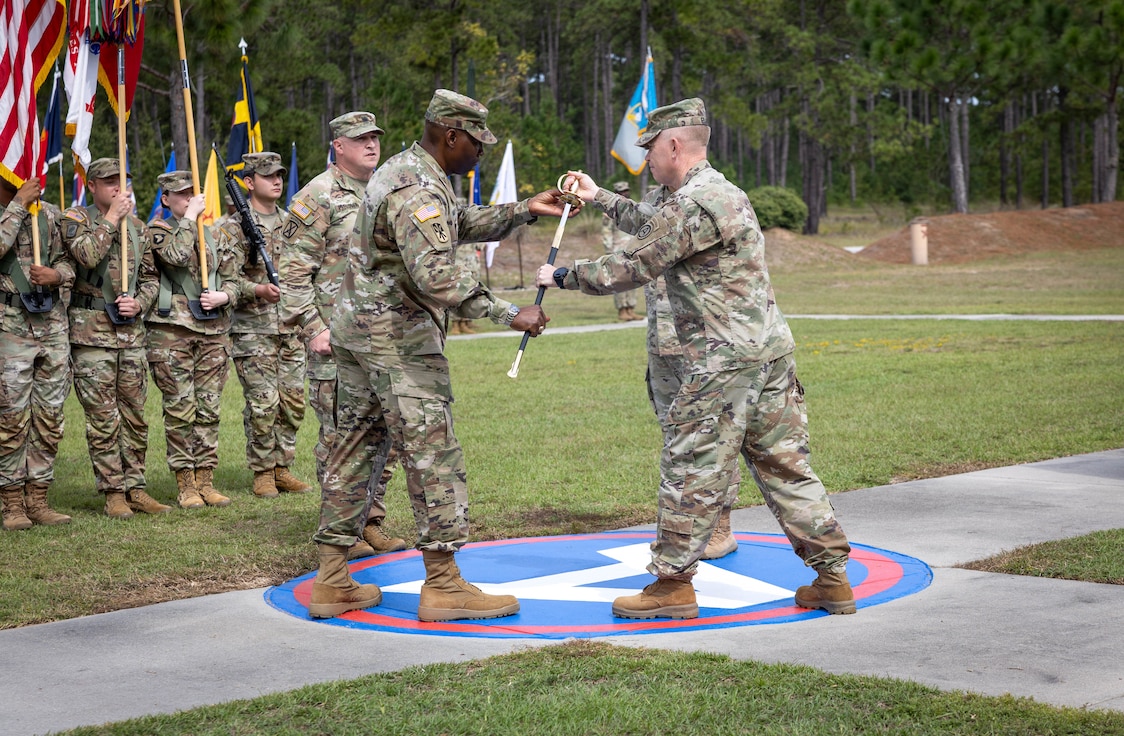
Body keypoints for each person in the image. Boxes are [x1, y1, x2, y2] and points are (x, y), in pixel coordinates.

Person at [536, 98, 855, 620]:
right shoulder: (717, 193)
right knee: (786, 467)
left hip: (721, 362)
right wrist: (600, 198)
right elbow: (656, 222)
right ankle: (832, 579)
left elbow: (633, 263)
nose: (649, 163)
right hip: (768, 354)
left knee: (691, 468)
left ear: (674, 145)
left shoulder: (693, 203)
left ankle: (672, 587)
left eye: (651, 152)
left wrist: (563, 277)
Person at [306, 89, 574, 621]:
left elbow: (455, 224)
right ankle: (445, 584)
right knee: (432, 454)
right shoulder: (417, 187)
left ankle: (333, 580)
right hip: (397, 342)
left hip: (358, 335)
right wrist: (506, 312)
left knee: (353, 451)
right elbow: (435, 273)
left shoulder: (408, 170)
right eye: (476, 142)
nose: (481, 152)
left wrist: (525, 210)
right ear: (450, 135)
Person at [278, 111, 405, 558]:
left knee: (385, 435)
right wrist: (313, 328)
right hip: (334, 341)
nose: (371, 145)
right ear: (338, 145)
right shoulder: (317, 196)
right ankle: (338, 532)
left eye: (374, 137)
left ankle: (369, 519)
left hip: (380, 339)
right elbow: (292, 275)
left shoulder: (382, 191)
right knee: (340, 436)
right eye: (360, 139)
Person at [61, 158, 165, 518]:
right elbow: (86, 256)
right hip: (92, 336)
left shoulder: (138, 227)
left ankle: (135, 486)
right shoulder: (75, 220)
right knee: (104, 419)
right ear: (92, 186)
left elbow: (152, 279)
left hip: (131, 336)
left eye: (123, 182)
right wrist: (111, 220)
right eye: (109, 183)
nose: (118, 189)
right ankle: (113, 493)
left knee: (136, 416)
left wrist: (140, 303)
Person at [217, 152, 312, 499]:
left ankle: (282, 467)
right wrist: (256, 289)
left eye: (280, 175)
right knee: (263, 402)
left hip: (290, 327)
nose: (276, 180)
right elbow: (226, 280)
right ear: (248, 182)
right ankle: (262, 472)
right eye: (268, 175)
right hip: (253, 329)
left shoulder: (291, 223)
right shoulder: (231, 227)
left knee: (293, 402)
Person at [147, 170, 238, 509]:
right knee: (180, 408)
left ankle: (206, 480)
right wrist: (188, 219)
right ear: (166, 199)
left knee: (209, 409)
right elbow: (175, 257)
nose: (188, 198)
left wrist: (224, 296)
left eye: (191, 193)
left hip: (213, 331)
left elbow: (235, 279)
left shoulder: (215, 235)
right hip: (173, 333)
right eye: (180, 194)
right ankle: (185, 484)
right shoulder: (159, 230)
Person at [644, 273, 738, 560]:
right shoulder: (646, 229)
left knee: (713, 436)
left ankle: (720, 528)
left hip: (702, 344)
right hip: (661, 344)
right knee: (675, 440)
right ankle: (682, 531)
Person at [0, 178, 75, 529]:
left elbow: (72, 263)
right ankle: (11, 502)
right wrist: (17, 204)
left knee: (50, 416)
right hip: (10, 327)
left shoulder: (50, 216)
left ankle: (38, 497)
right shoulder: (9, 213)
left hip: (52, 327)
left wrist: (57, 274)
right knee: (11, 418)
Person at [602, 181, 642, 322]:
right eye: (622, 191)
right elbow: (606, 233)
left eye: (627, 190)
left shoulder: (631, 208)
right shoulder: (609, 211)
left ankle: (631, 308)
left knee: (632, 279)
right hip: (617, 250)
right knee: (619, 281)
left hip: (631, 249)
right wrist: (609, 250)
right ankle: (622, 310)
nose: (625, 193)